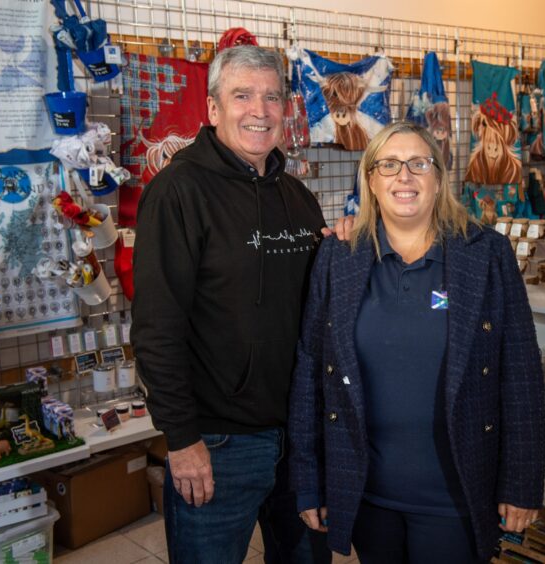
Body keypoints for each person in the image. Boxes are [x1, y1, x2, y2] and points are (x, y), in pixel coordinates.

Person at [289, 121, 545, 563]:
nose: (403, 177)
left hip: (455, 498)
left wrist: (521, 484)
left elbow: (521, 377)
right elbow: (312, 371)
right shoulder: (338, 257)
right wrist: (310, 481)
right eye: (388, 165)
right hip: (370, 494)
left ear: (439, 178)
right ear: (370, 179)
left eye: (418, 164)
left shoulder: (485, 255)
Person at [132, 45, 330, 564]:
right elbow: (156, 328)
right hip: (218, 446)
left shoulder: (297, 196)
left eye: (272, 97)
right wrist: (181, 439)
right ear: (214, 109)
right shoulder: (178, 192)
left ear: (287, 110)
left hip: (301, 440)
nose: (259, 111)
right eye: (242, 96)